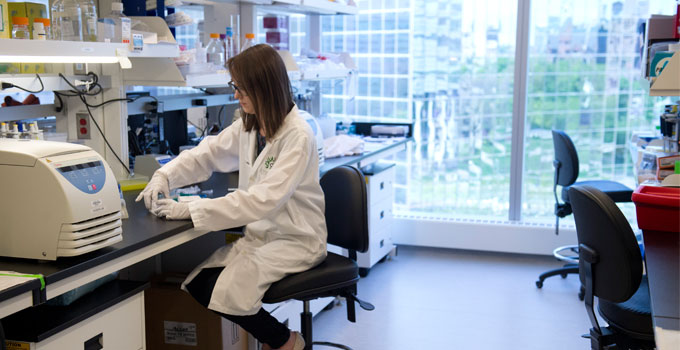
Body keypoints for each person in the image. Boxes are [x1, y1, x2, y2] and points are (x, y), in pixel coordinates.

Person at [136, 44, 327, 350]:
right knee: (201, 285)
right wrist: (165, 176)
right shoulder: (251, 126)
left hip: (296, 238)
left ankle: (286, 342)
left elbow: (262, 200)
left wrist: (191, 208)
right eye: (234, 87)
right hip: (262, 236)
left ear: (264, 88)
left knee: (229, 293)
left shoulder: (298, 136)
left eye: (241, 88)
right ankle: (279, 339)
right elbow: (206, 154)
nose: (235, 95)